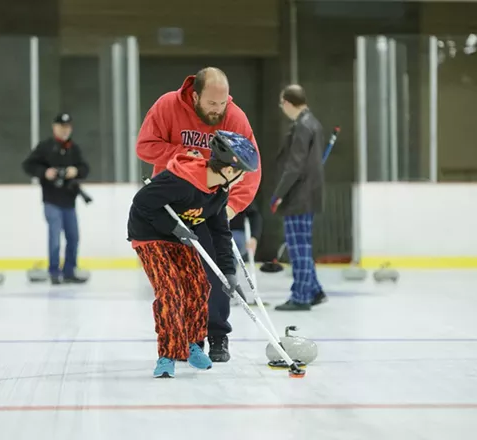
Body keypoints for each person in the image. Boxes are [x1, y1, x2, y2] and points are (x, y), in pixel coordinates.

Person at [136, 67, 262, 362]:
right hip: (172, 205)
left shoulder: (235, 117)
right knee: (180, 282)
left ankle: (218, 335)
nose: (218, 111)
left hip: (212, 205)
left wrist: (231, 207)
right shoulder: (167, 106)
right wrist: (180, 155)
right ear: (194, 96)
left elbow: (251, 168)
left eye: (222, 104)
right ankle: (191, 340)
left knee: (215, 274)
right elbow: (144, 146)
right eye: (211, 105)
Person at [127, 130, 259, 378]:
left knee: (199, 286)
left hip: (180, 235)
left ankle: (192, 343)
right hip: (150, 234)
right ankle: (167, 355)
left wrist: (229, 274)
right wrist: (172, 227)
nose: (242, 181)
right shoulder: (181, 180)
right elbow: (141, 203)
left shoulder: (219, 192)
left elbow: (221, 233)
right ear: (229, 171)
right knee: (170, 290)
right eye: (242, 174)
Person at [270, 85, 327, 311]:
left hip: (298, 196)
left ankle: (301, 296)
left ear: (287, 102)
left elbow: (294, 166)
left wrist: (278, 194)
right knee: (302, 245)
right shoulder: (312, 123)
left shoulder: (303, 126)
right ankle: (314, 290)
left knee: (298, 248)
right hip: (307, 195)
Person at [22, 112, 90, 285]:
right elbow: (28, 164)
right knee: (54, 236)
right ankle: (54, 271)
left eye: (67, 127)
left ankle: (69, 270)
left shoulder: (73, 148)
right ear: (55, 127)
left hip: (69, 200)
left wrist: (75, 171)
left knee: (73, 237)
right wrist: (45, 173)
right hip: (52, 199)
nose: (65, 130)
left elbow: (84, 167)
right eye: (61, 126)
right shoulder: (45, 147)